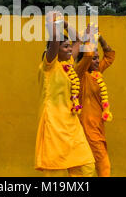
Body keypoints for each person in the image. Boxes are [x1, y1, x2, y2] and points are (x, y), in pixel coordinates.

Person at [35, 11, 96, 177]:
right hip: (53, 123)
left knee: (87, 166)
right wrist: (52, 23)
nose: (70, 49)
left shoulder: (67, 65)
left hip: (71, 122)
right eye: (65, 46)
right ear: (54, 51)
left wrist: (66, 24)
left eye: (69, 47)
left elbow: (77, 41)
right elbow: (54, 40)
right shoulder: (48, 67)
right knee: (56, 171)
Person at [75, 27, 115, 177]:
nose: (97, 60)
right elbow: (87, 56)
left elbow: (109, 56)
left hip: (98, 127)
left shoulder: (96, 74)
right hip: (87, 128)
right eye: (94, 58)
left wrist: (100, 38)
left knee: (94, 168)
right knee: (103, 166)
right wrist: (89, 39)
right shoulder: (80, 74)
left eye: (98, 58)